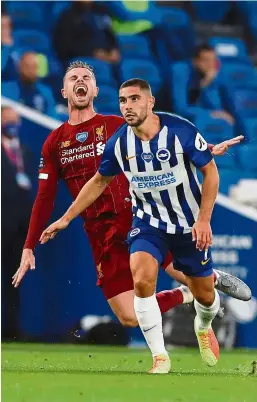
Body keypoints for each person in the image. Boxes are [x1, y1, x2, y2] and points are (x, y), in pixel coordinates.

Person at [12, 62, 249, 366]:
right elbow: (45, 197)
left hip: (139, 218)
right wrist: (30, 245)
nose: (80, 81)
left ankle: (196, 302)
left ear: (96, 90)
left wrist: (206, 150)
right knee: (128, 317)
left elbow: (164, 143)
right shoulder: (55, 142)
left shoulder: (116, 126)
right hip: (100, 233)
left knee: (186, 276)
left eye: (87, 78)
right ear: (64, 91)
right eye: (73, 78)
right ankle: (188, 294)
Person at [1, 106, 33, 340]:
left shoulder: (24, 150)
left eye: (16, 121)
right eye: (9, 120)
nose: (13, 125)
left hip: (20, 225)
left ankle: (11, 329)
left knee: (15, 278)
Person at [172, 44, 234, 124]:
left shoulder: (211, 74)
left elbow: (214, 106)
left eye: (213, 60)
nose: (210, 65)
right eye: (206, 60)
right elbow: (180, 109)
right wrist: (211, 114)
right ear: (195, 61)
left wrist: (207, 84)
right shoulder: (180, 71)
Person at [53, 1, 120, 66]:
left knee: (126, 66)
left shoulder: (102, 10)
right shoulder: (67, 16)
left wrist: (114, 50)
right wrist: (93, 53)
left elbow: (110, 35)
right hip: (83, 58)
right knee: (100, 68)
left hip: (107, 56)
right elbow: (64, 46)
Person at [2, 52, 57, 119]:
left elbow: (52, 120)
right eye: (27, 66)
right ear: (20, 67)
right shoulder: (5, 89)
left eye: (34, 67)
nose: (31, 71)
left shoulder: (45, 93)